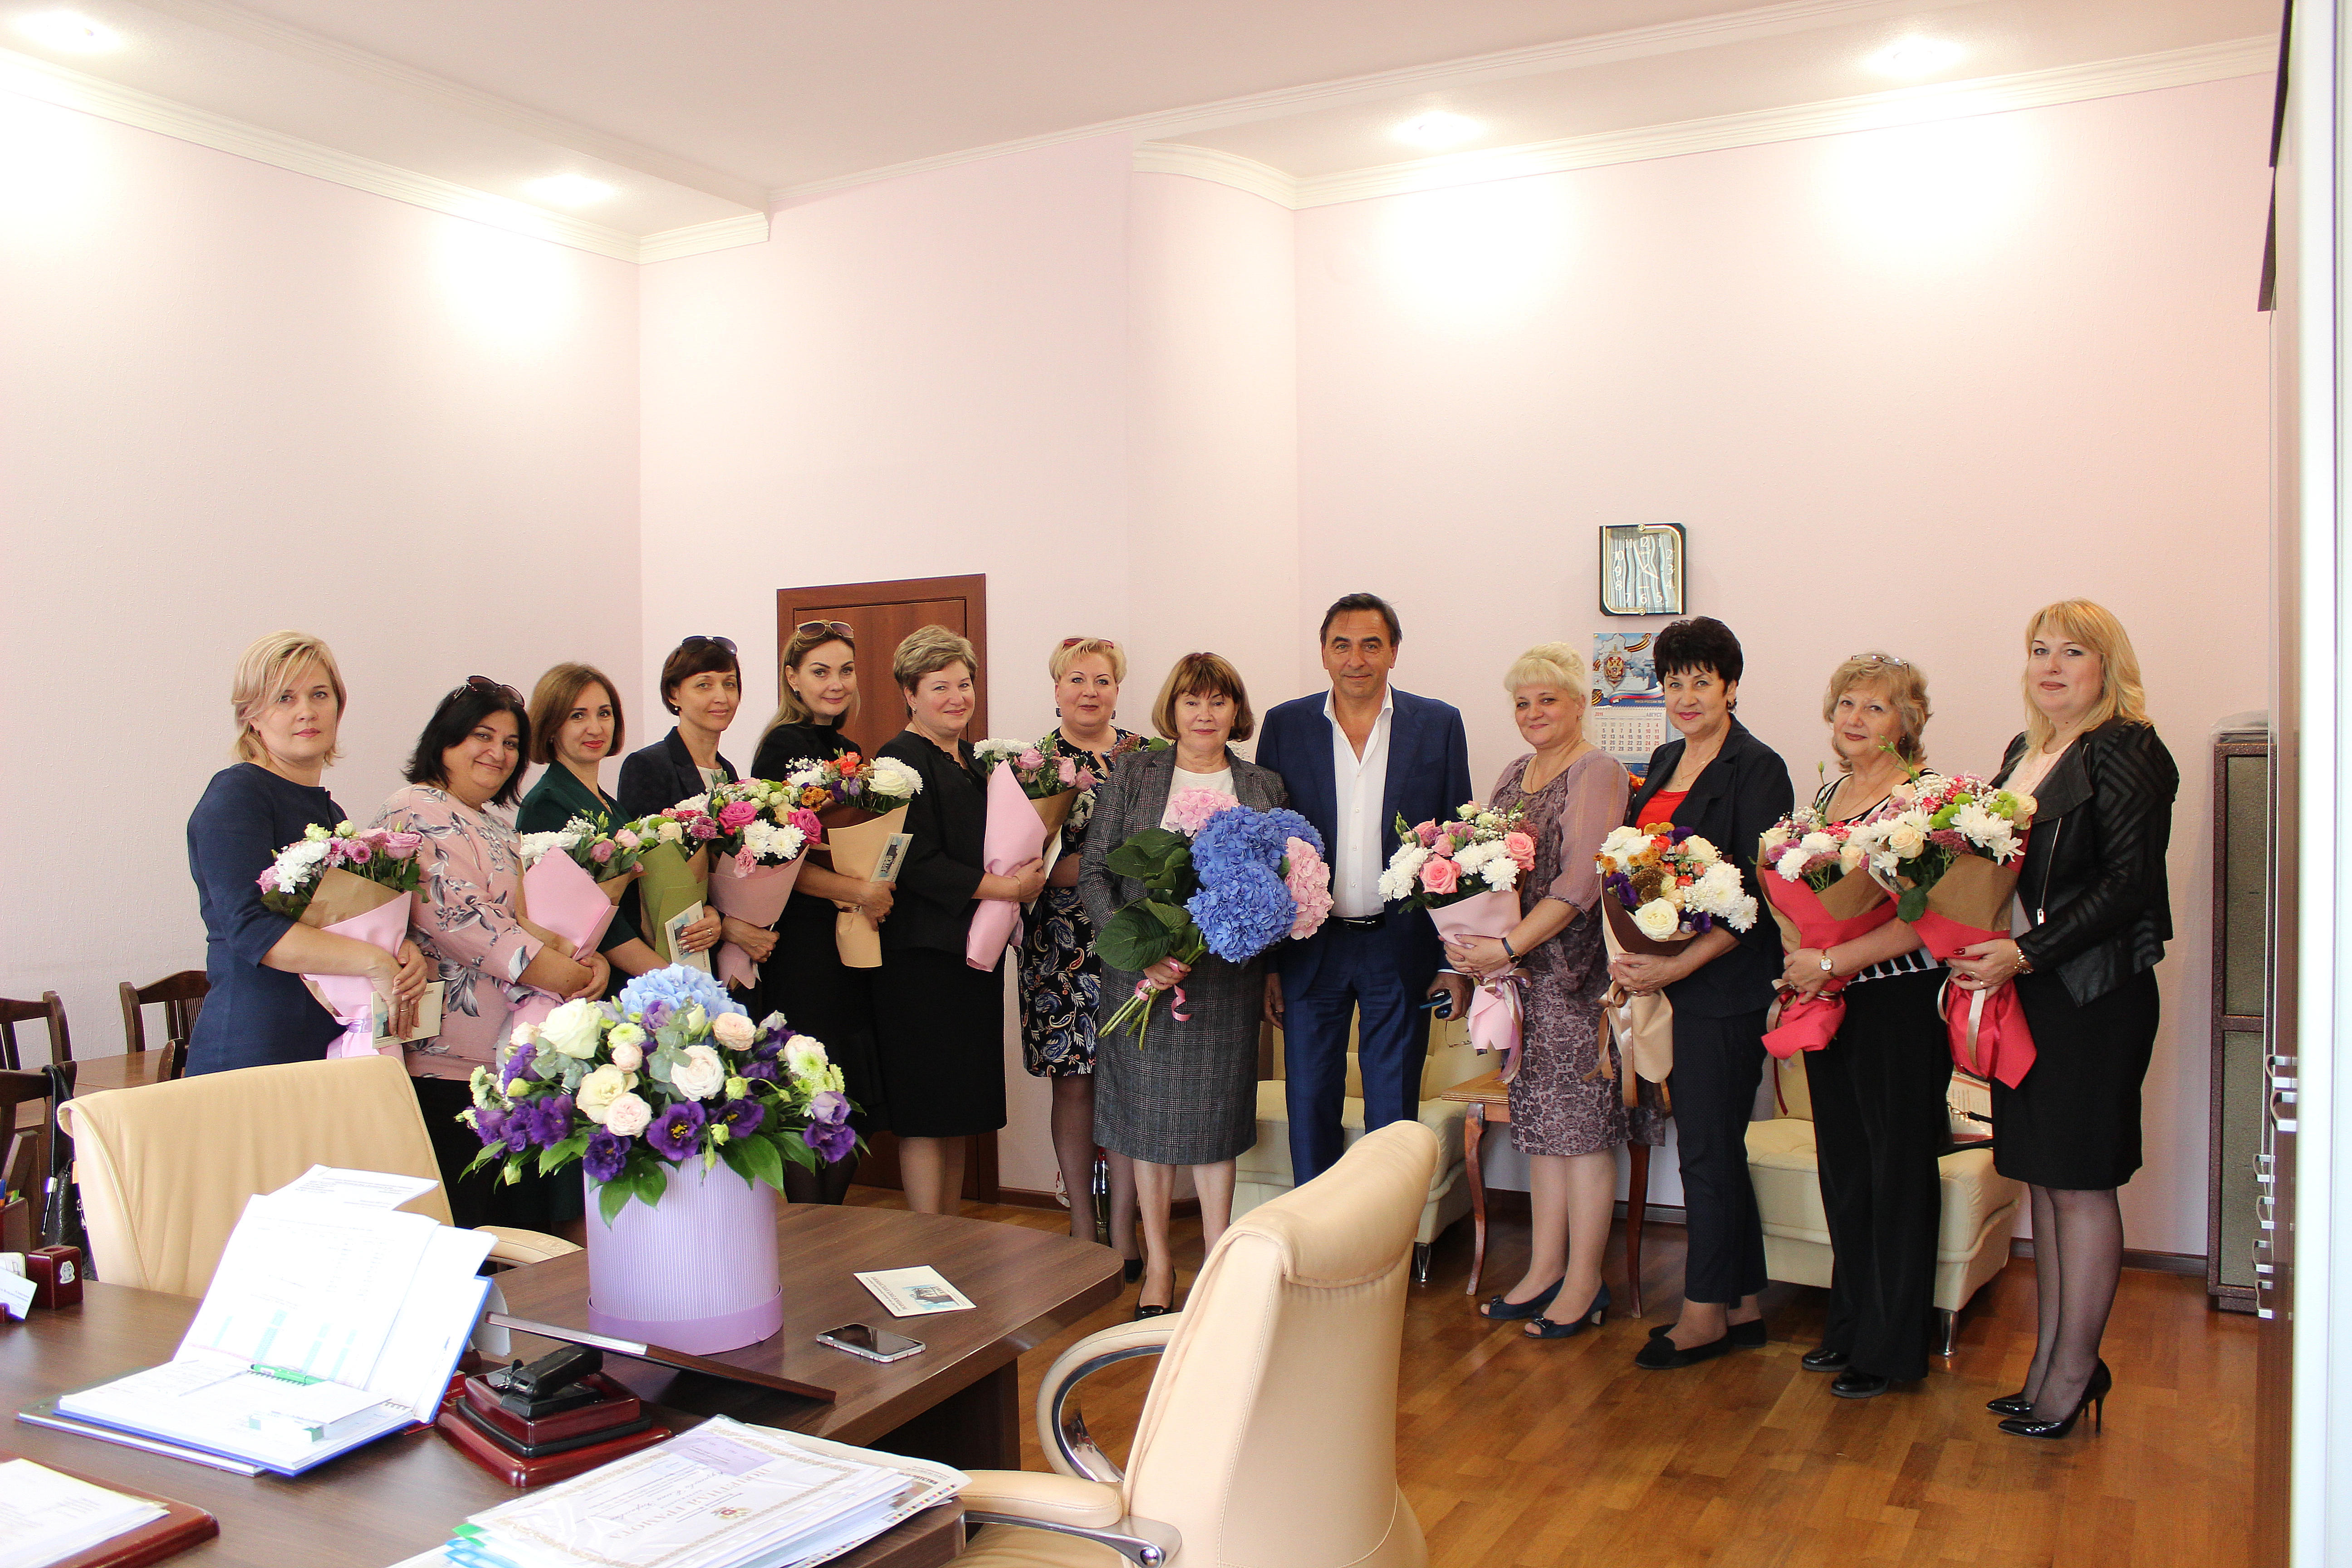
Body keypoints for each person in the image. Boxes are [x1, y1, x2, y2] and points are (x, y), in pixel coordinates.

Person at [1949, 600, 2176, 1439]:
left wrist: (2026, 952)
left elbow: (2127, 886)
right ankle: (2050, 1362)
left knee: (2078, 1183)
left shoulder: (2127, 748)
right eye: (2039, 650)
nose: (2050, 666)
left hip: (2091, 995)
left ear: (2106, 666)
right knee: (2042, 1178)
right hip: (2029, 992)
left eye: (2071, 652)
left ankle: (2074, 1372)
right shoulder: (2025, 751)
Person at [1447, 644, 1656, 1339]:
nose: (1534, 712)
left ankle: (1586, 1282)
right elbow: (1486, 866)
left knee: (1583, 1135)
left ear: (1579, 704)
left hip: (1574, 977)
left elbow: (1581, 881)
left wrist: (1507, 945)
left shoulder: (1597, 770)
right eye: (1523, 702)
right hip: (1522, 982)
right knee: (1542, 1130)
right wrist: (1474, 939)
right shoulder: (1514, 772)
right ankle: (1543, 1270)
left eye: (1549, 699)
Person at [1080, 652, 1288, 1317]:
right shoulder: (1134, 774)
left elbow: (1283, 885)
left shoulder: (1262, 786)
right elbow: (1094, 873)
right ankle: (1160, 1267)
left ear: (1236, 711)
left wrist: (1264, 959)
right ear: (1172, 709)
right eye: (1192, 701)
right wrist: (1138, 951)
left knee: (1216, 1122)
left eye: (1218, 701)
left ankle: (1219, 1262)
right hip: (1143, 978)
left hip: (1226, 980)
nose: (1205, 714)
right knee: (1148, 1124)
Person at [1612, 616, 1793, 1370]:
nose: (1685, 696)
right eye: (1673, 682)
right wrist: (1636, 954)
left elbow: (1756, 898)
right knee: (1712, 1145)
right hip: (1664, 980)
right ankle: (1742, 1303)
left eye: (1701, 681)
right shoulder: (1662, 760)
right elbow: (1635, 867)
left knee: (1707, 1150)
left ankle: (1701, 1315)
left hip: (1723, 986)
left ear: (1730, 687)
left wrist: (1676, 968)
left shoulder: (1758, 767)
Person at [1775, 653, 1950, 1398]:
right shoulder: (1827, 796)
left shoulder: (1924, 801)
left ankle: (1891, 1346)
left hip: (1897, 1003)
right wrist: (1802, 960)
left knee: (1896, 1171)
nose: (1855, 718)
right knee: (1845, 1166)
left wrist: (1832, 959)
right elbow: (1802, 898)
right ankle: (1847, 1324)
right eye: (1847, 702)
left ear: (1906, 723)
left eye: (1875, 707)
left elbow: (1927, 918)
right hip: (1830, 1000)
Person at [1255, 593, 1472, 1187]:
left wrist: (1452, 962)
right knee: (1309, 1105)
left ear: (1394, 652)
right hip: (1309, 948)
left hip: (1399, 946)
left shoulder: (1438, 725)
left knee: (1393, 1115)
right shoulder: (1285, 725)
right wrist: (1269, 964)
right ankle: (1316, 1234)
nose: (1357, 659)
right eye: (1342, 645)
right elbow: (1268, 846)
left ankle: (1385, 1235)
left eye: (1372, 645)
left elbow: (1456, 847)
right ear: (1324, 653)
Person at [374, 677, 600, 1228]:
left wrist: (585, 959)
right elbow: (468, 925)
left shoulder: (499, 827)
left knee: (517, 1229)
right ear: (445, 740)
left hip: (509, 1062)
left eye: (511, 743)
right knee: (463, 1227)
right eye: (483, 735)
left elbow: (519, 921)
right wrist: (567, 977)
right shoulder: (414, 808)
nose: (498, 753)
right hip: (444, 1063)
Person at [185, 632, 429, 1076]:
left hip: (326, 1045)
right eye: (285, 698)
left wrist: (398, 950)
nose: (307, 711)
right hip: (254, 1049)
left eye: (320, 694)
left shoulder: (331, 813)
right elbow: (252, 930)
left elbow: (342, 922)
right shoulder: (237, 796)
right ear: (251, 716)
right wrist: (375, 961)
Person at [873, 627, 1047, 1215]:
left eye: (964, 683)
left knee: (958, 1109)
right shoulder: (899, 761)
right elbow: (916, 861)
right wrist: (1010, 888)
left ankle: (947, 1238)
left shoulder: (974, 760)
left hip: (971, 955)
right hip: (921, 960)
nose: (957, 697)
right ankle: (929, 1238)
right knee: (927, 1109)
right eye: (940, 686)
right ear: (910, 694)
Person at [748, 621, 895, 1204]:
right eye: (820, 672)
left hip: (847, 936)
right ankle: (810, 1222)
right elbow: (773, 859)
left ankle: (827, 1217)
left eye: (846, 671)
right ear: (792, 679)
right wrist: (857, 890)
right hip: (804, 944)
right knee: (809, 1089)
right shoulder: (781, 746)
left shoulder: (848, 751)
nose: (836, 683)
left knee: (850, 1090)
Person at [1018, 637, 1144, 1268]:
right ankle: (1080, 1225)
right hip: (1060, 943)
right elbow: (1022, 863)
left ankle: (1125, 1228)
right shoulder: (1031, 765)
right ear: (1057, 689)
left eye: (1102, 680)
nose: (1089, 691)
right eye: (1076, 679)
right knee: (1073, 1084)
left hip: (1135, 938)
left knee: (1127, 1084)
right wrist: (1090, 869)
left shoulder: (1148, 757)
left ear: (1118, 689)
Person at [516, 663, 664, 997]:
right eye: (577, 716)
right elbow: (592, 921)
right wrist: (669, 977)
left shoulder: (608, 803)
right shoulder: (547, 802)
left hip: (630, 974)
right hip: (597, 978)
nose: (595, 728)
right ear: (551, 727)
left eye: (604, 714)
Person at [615, 633, 740, 962]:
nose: (721, 697)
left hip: (717, 943)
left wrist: (723, 916)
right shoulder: (648, 765)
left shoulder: (728, 773)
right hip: (669, 943)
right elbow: (645, 872)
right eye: (704, 685)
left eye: (729, 684)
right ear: (674, 694)